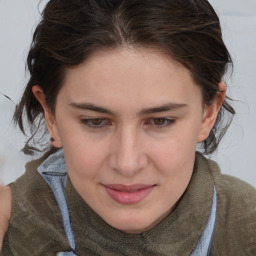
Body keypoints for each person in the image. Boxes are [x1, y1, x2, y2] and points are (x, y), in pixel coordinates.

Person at [1, 0, 256, 255]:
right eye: (95, 121)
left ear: (208, 113)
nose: (127, 163)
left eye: (160, 121)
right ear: (51, 115)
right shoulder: (13, 226)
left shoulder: (247, 229)